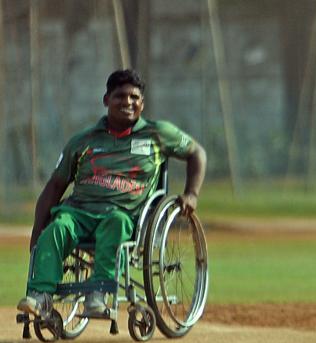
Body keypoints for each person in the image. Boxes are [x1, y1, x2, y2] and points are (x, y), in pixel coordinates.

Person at [17, 69, 207, 319]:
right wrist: (36, 232)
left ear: (142, 103)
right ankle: (40, 296)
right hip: (79, 213)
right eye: (120, 96)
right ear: (106, 100)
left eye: (134, 97)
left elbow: (197, 153)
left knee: (115, 223)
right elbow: (54, 186)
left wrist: (191, 194)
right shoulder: (83, 140)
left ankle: (98, 294)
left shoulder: (157, 133)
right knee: (57, 228)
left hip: (123, 214)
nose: (128, 102)